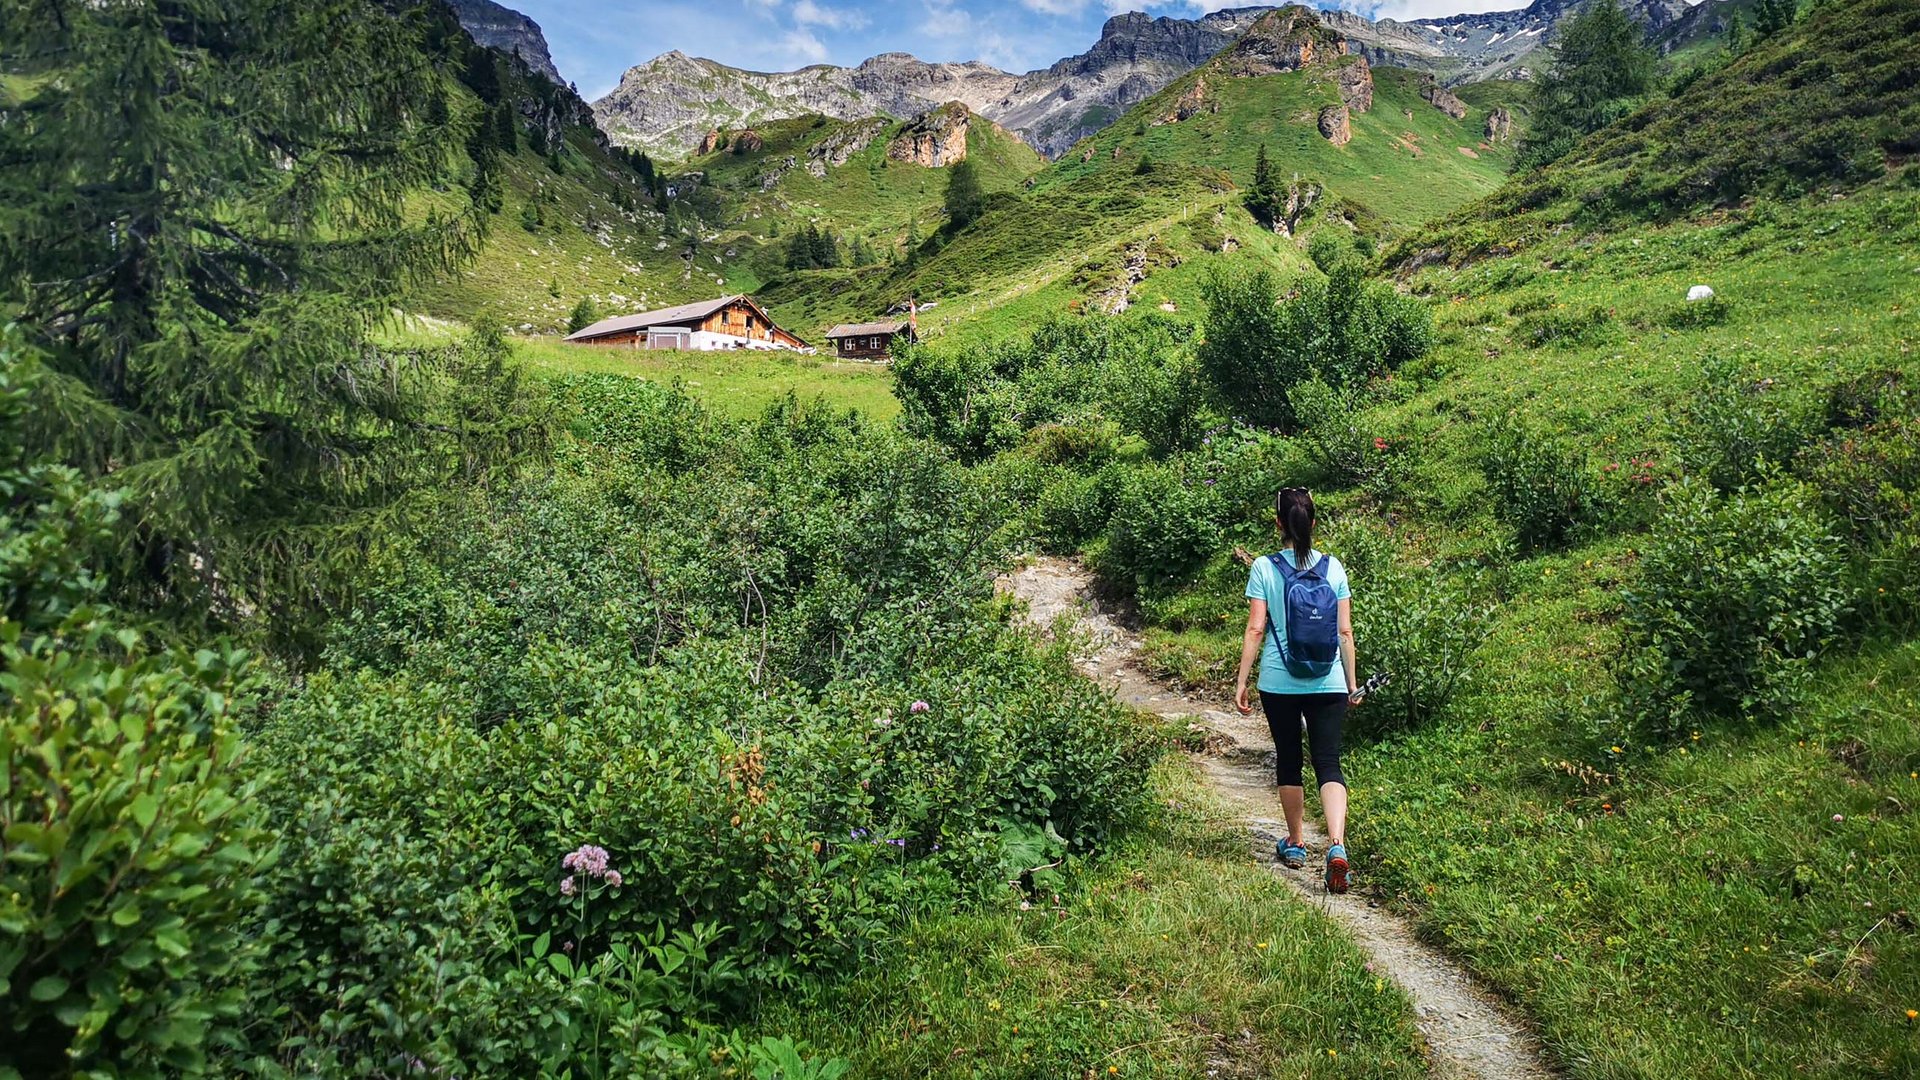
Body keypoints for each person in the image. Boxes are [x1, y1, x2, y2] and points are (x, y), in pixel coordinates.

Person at [1233, 487, 1365, 894]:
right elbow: (1344, 631)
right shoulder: (1334, 567)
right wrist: (1351, 683)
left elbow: (1256, 627)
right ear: (1314, 523)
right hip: (1327, 679)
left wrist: (1241, 680)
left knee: (1289, 758)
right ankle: (1337, 846)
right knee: (1328, 761)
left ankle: (1295, 843)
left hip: (1279, 681)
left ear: (1278, 525)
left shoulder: (1264, 567)